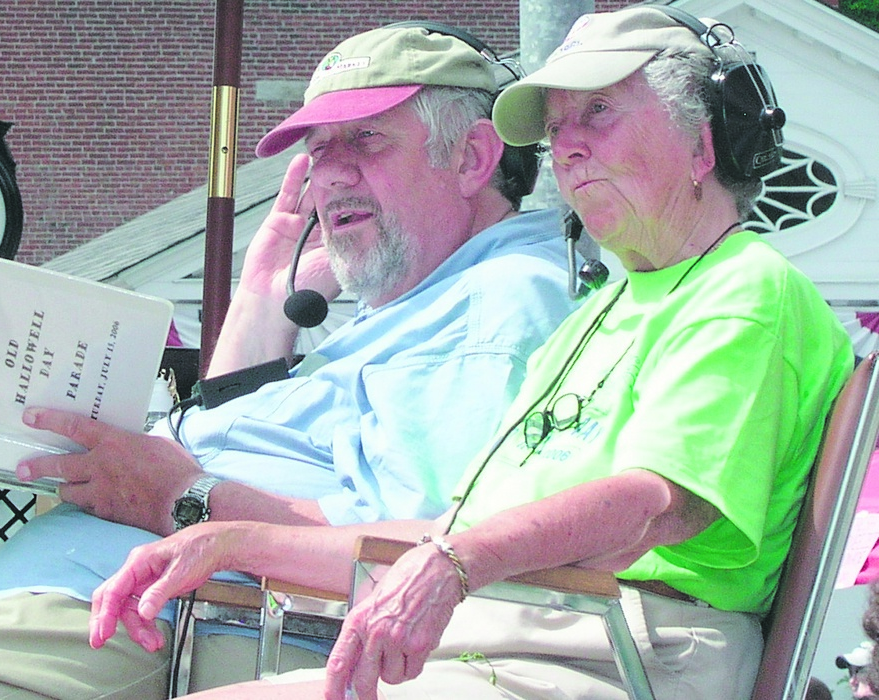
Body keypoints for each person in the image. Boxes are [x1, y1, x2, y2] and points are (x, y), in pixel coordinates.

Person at [86, 7, 854, 700]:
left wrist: (460, 564)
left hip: (622, 657)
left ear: (705, 142)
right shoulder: (597, 320)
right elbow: (441, 534)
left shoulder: (746, 288)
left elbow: (653, 504)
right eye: (556, 129)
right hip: (514, 644)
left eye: (598, 112)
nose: (569, 148)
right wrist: (228, 540)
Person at [0, 23, 578, 699]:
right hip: (70, 618)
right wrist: (262, 297)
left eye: (364, 140)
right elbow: (241, 449)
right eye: (316, 150)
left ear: (472, 159)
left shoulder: (496, 304)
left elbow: (421, 556)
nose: (328, 177)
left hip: (164, 630)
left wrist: (181, 498)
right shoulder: (405, 312)